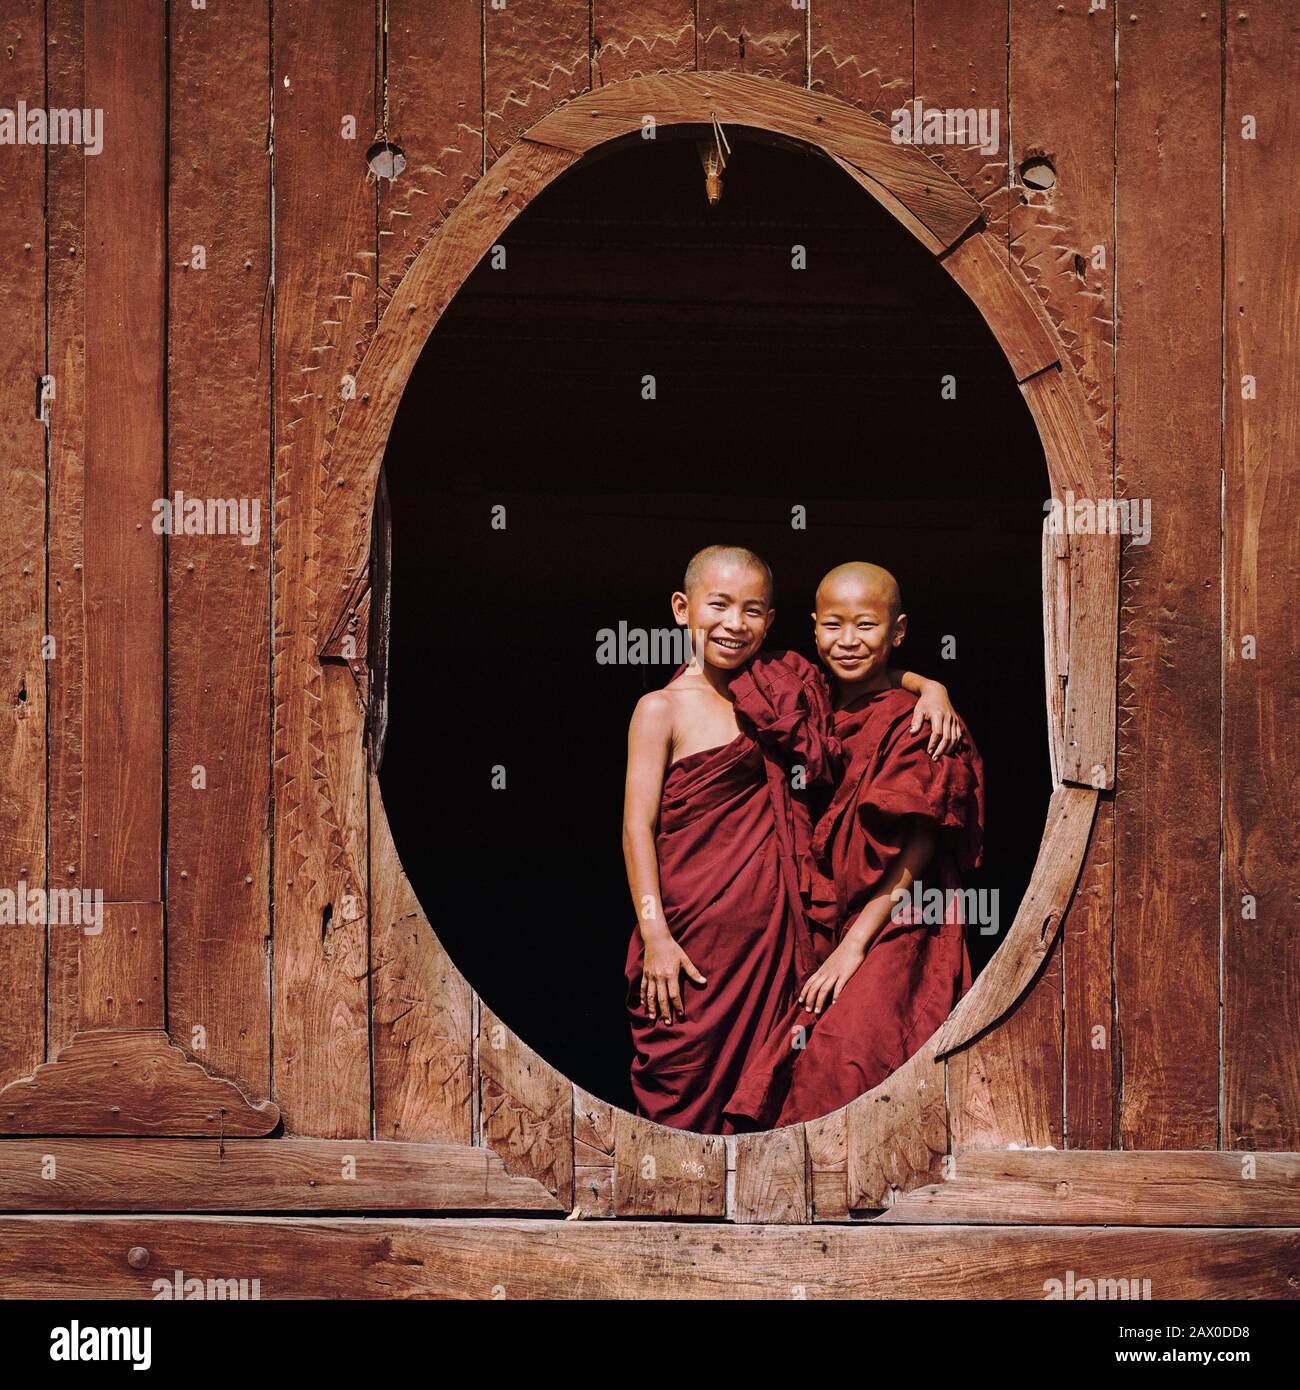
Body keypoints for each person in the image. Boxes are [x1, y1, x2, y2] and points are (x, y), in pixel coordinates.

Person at [623, 547, 962, 1133]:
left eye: (752, 611)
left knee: (773, 1089)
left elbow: (863, 673)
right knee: (677, 1091)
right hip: (688, 937)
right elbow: (636, 827)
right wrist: (654, 931)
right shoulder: (660, 709)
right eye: (719, 606)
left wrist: (931, 686)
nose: (734, 624)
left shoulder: (784, 692)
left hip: (778, 945)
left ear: (772, 622)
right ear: (682, 610)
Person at [723, 561, 985, 1131]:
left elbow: (920, 842)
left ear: (897, 631)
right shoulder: (812, 702)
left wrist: (855, 947)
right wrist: (927, 680)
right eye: (833, 625)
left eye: (865, 626)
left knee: (845, 1059)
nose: (847, 641)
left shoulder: (922, 722)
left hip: (902, 916)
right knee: (797, 1054)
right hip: (825, 912)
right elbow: (736, 673)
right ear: (813, 627)